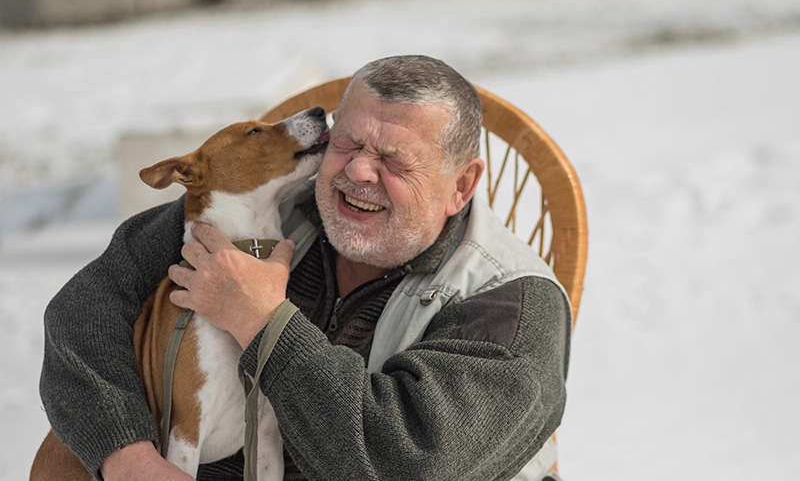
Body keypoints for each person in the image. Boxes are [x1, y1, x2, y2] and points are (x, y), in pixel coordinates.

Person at [40, 55, 571, 481]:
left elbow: (406, 463)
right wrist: (129, 459)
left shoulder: (512, 306)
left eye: (394, 160)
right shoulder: (269, 209)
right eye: (348, 142)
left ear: (460, 185)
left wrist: (263, 324)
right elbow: (83, 311)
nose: (359, 171)